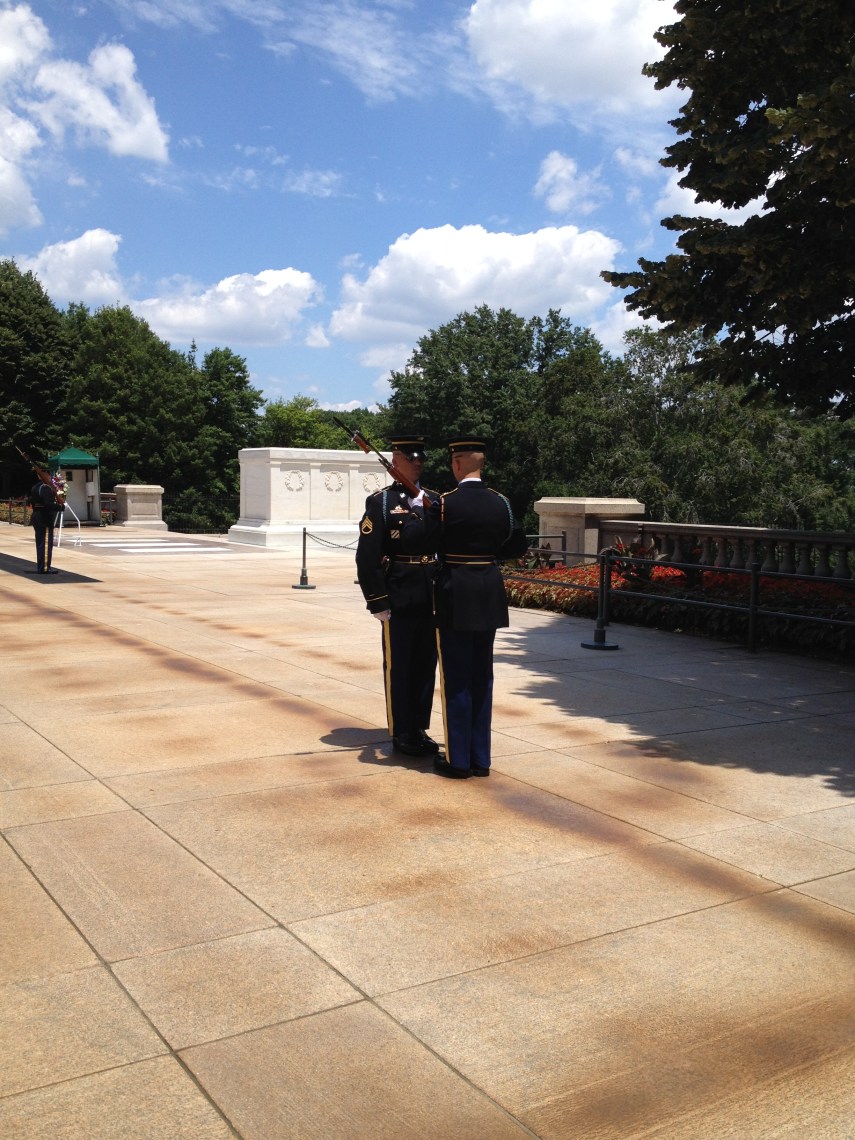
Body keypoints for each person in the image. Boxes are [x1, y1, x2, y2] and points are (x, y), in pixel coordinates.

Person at [403, 438, 528, 778]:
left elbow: (416, 541)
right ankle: (480, 759)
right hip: (489, 591)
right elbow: (516, 545)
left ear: (457, 464)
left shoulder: (444, 503)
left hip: (456, 592)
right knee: (482, 677)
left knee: (457, 678)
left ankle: (458, 760)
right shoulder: (501, 502)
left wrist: (418, 510)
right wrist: (486, 554)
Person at [355, 434, 440, 758]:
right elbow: (367, 556)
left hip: (431, 594)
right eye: (410, 456)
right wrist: (377, 600)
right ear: (396, 460)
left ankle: (419, 727)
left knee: (426, 665)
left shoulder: (434, 499)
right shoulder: (381, 502)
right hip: (399, 595)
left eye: (421, 456)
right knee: (400, 666)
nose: (418, 461)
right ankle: (402, 730)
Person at [29, 470, 65, 575]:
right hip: (44, 517)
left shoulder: (35, 487)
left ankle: (42, 566)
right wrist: (61, 507)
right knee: (45, 544)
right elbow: (49, 504)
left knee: (40, 543)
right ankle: (44, 568)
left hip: (37, 515)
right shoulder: (45, 488)